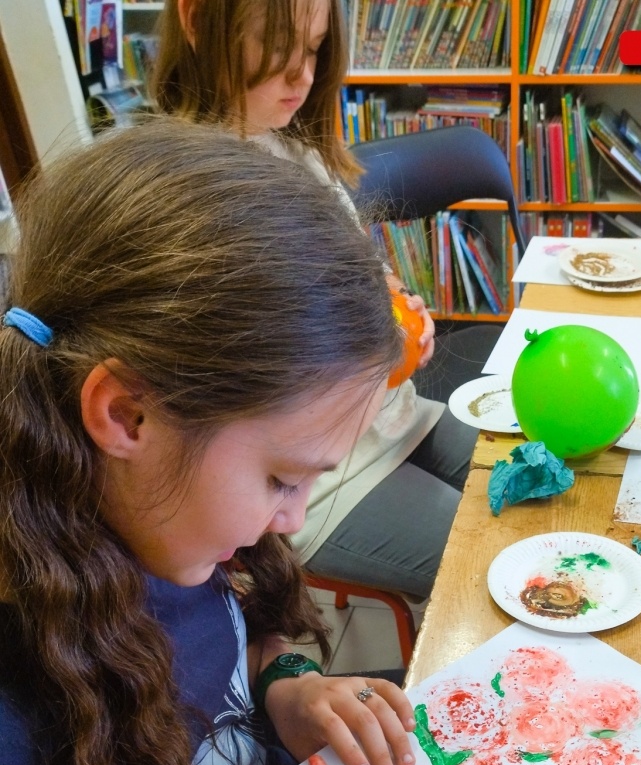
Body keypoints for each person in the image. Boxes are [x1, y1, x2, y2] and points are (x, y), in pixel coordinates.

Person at [0, 119, 449, 765]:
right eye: (284, 479)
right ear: (125, 416)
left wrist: (288, 693)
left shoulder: (159, 521)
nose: (294, 520)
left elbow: (227, 642)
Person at [152, 0, 486, 599]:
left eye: (313, 49)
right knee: (489, 560)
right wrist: (371, 348)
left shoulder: (294, 149)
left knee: (532, 497)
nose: (302, 75)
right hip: (318, 478)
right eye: (279, 50)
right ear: (198, 20)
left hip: (392, 418)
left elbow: (364, 277)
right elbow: (246, 385)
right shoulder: (185, 191)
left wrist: (397, 304)